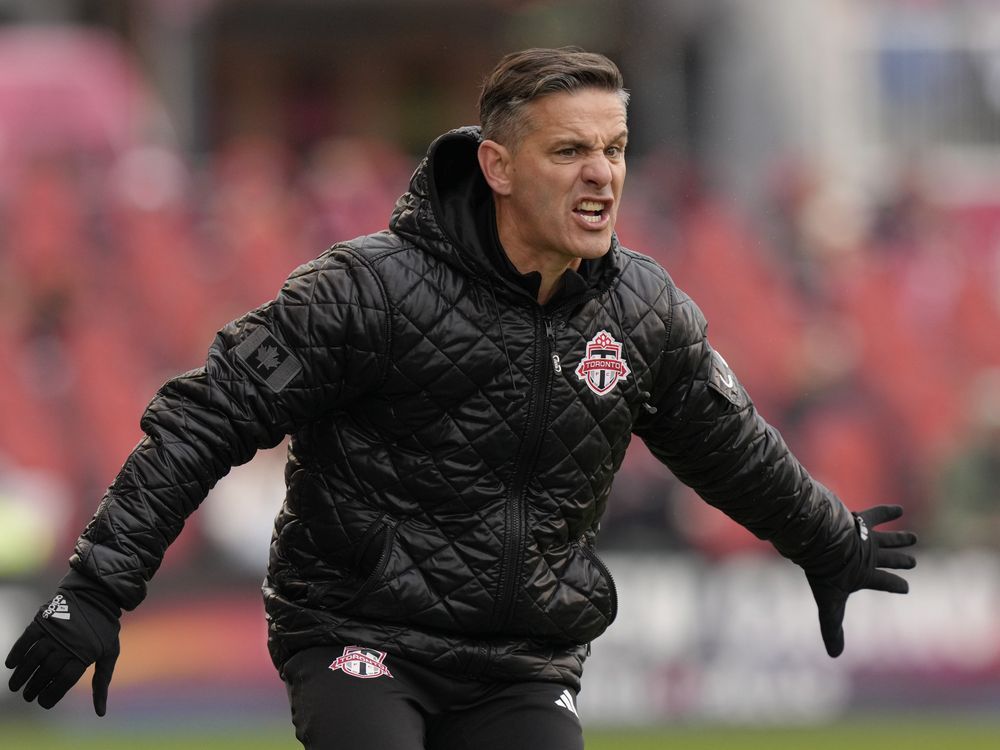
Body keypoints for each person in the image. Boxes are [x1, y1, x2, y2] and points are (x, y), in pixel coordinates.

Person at [5, 47, 916, 749]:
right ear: (498, 166)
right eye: (570, 150)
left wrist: (830, 544)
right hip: (358, 632)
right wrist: (96, 587)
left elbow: (731, 447)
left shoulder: (647, 313)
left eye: (615, 149)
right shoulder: (362, 291)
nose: (602, 173)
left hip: (523, 659)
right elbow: (205, 420)